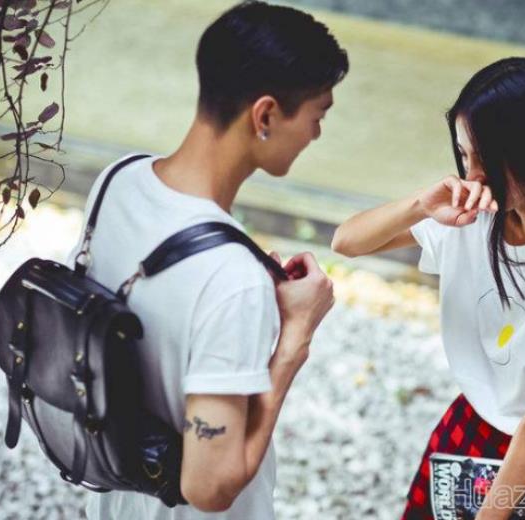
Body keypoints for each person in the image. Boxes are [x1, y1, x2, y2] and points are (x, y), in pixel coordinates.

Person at [65, 2, 348, 518]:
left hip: (114, 499)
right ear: (265, 115)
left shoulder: (118, 181)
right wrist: (295, 336)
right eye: (318, 115)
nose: (317, 133)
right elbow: (208, 487)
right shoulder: (233, 279)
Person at [332, 57, 525, 520]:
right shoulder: (475, 218)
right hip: (465, 427)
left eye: (485, 157)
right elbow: (347, 242)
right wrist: (421, 204)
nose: (473, 175)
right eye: (465, 155)